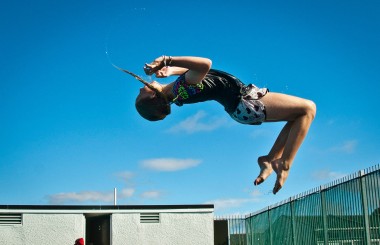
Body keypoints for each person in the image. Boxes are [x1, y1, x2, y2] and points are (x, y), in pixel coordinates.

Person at [136, 56, 316, 194]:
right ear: (152, 98)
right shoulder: (180, 88)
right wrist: (167, 59)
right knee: (308, 109)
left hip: (242, 106)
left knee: (297, 117)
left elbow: (201, 72)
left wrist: (171, 70)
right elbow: (205, 64)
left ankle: (269, 159)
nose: (139, 89)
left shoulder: (177, 91)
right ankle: (284, 164)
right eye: (140, 94)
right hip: (245, 103)